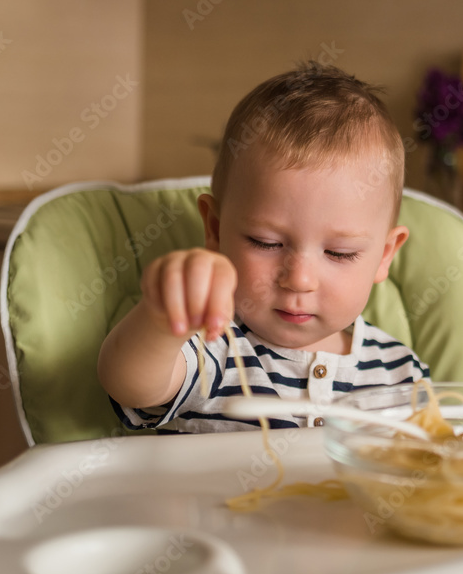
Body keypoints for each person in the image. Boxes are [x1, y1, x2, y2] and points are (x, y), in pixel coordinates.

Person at [98, 62, 429, 434]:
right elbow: (131, 384)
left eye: (339, 253)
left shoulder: (401, 374)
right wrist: (163, 320)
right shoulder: (213, 344)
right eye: (266, 243)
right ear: (216, 228)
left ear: (385, 255)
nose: (299, 280)